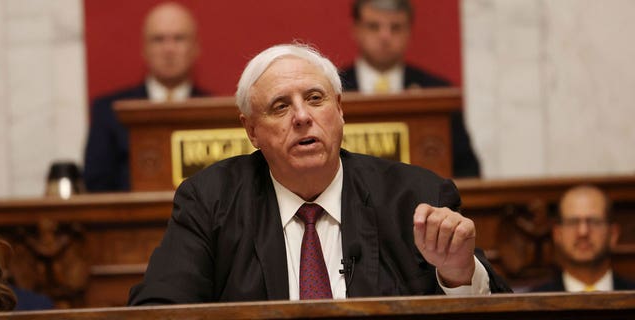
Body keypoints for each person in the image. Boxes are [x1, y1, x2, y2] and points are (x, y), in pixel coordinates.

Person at [128, 43, 511, 305]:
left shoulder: (414, 197)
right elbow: (159, 307)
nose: (302, 116)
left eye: (315, 98)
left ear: (340, 110)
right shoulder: (210, 201)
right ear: (251, 131)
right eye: (280, 106)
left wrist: (459, 274)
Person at [339, 0, 481, 177]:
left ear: (409, 32)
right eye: (374, 27)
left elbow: (468, 171)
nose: (385, 36)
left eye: (396, 27)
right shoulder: (334, 91)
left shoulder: (436, 94)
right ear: (356, 29)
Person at [84, 1, 207, 192]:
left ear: (195, 48)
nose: (169, 49)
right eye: (158, 39)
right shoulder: (110, 112)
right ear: (144, 49)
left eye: (179, 39)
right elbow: (96, 186)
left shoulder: (214, 112)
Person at [531, 185, 635, 292]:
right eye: (573, 222)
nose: (583, 232)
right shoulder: (530, 302)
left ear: (613, 234)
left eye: (594, 222)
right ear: (557, 234)